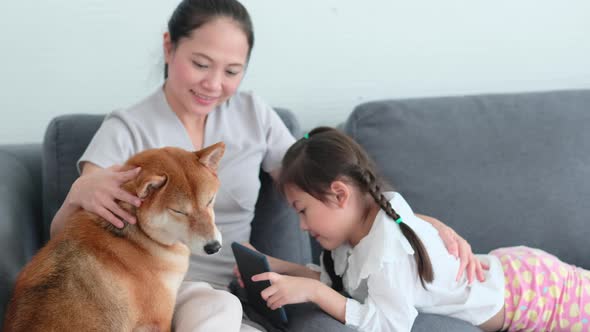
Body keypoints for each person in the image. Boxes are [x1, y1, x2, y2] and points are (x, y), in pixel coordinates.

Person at [48, 1, 486, 331]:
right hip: (159, 288)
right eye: (200, 64)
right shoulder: (127, 129)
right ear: (169, 46)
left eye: (232, 71)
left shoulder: (253, 116)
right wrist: (76, 195)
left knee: (226, 312)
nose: (214, 84)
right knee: (215, 313)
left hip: (241, 285)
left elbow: (326, 187)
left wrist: (413, 223)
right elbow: (70, 237)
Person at [241, 127, 590, 332]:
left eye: (303, 210)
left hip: (533, 294)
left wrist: (314, 293)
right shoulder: (357, 234)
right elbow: (344, 284)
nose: (301, 225)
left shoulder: (386, 249)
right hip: (513, 272)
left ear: (339, 194)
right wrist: (275, 266)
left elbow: (389, 324)